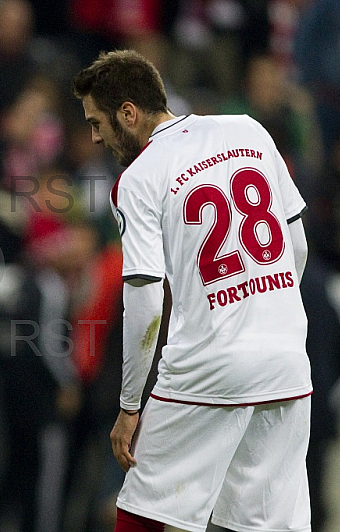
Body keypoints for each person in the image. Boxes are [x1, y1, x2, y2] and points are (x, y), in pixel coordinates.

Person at [71, 50, 312, 532]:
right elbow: (297, 245)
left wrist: (129, 405)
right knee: (264, 524)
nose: (95, 136)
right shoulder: (247, 129)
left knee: (138, 510)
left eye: (97, 122)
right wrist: (263, 313)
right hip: (286, 360)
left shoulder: (137, 179)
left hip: (208, 362)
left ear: (128, 112)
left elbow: (142, 294)